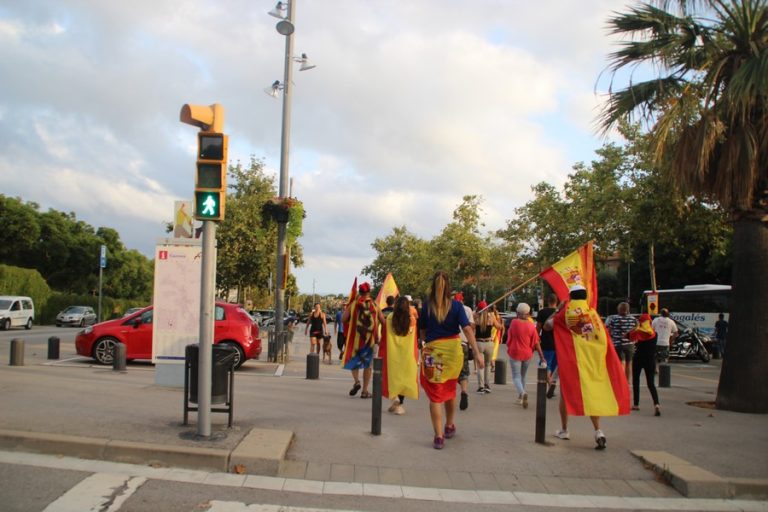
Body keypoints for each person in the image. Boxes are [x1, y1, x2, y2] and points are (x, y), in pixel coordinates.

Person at [544, 285, 629, 450]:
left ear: (571, 297)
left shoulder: (566, 313)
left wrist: (558, 309)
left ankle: (564, 429)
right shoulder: (593, 314)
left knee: (565, 393)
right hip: (593, 361)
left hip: (572, 361)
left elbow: (547, 326)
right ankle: (598, 431)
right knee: (591, 394)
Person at [419, 271, 484, 449]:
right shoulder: (456, 306)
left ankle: (438, 436)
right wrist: (477, 353)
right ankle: (449, 425)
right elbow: (468, 330)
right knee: (449, 389)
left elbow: (422, 331)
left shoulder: (426, 306)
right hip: (453, 353)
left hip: (433, 352)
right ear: (449, 287)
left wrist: (425, 344)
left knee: (435, 395)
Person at [379, 296, 419, 415]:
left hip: (392, 353)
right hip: (407, 354)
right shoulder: (412, 320)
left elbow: (384, 334)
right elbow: (414, 338)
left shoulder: (390, 318)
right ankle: (399, 403)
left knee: (393, 376)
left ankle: (394, 398)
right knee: (404, 378)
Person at [341, 283, 379, 398]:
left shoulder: (353, 304)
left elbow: (343, 319)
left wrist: (352, 320)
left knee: (354, 361)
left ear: (359, 292)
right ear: (369, 292)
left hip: (356, 340)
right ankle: (365, 391)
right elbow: (382, 320)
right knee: (368, 365)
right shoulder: (374, 305)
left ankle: (357, 381)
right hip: (370, 341)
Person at [506, 302, 545, 408]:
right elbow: (536, 342)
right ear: (528, 313)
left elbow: (509, 337)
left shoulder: (514, 323)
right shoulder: (531, 325)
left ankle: (522, 393)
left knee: (516, 376)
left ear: (517, 312)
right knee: (523, 376)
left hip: (515, 352)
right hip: (527, 353)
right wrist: (542, 357)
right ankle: (520, 398)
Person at [629, 314, 661, 416]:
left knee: (636, 381)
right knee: (651, 383)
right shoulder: (655, 334)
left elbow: (627, 336)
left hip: (638, 359)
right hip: (650, 360)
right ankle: (656, 404)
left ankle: (636, 404)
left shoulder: (638, 333)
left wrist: (636, 328)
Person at [605, 302, 638, 383]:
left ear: (619, 309)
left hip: (618, 343)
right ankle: (627, 381)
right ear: (628, 309)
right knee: (629, 362)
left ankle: (621, 381)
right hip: (630, 344)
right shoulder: (634, 319)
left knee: (621, 362)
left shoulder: (614, 318)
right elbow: (636, 330)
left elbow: (608, 330)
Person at [474, 301, 502, 394]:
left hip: (478, 343)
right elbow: (499, 327)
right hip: (489, 343)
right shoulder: (491, 317)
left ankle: (481, 386)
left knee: (480, 365)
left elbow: (471, 327)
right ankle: (487, 385)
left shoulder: (476, 316)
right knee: (487, 365)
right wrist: (500, 321)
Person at [453, 292, 475, 410]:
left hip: (451, 343)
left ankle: (449, 395)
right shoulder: (468, 309)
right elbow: (470, 327)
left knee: (450, 370)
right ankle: (464, 391)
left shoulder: (449, 308)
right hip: (464, 343)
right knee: (464, 370)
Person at [537, 294, 559, 398]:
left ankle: (550, 385)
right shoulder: (560, 313)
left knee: (545, 365)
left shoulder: (542, 312)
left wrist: (535, 340)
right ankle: (552, 383)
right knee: (554, 367)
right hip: (558, 344)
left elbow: (538, 328)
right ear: (556, 301)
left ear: (547, 301)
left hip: (546, 343)